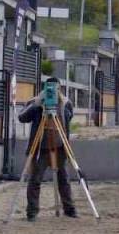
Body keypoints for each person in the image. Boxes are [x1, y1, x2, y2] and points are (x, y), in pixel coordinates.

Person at [18, 77, 77, 221]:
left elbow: (68, 120)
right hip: (40, 149)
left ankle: (69, 210)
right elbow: (22, 117)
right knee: (35, 180)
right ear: (44, 88)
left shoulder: (66, 103)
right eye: (49, 88)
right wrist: (37, 104)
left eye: (55, 88)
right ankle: (32, 212)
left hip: (60, 147)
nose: (52, 92)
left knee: (64, 180)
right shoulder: (36, 102)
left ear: (60, 89)